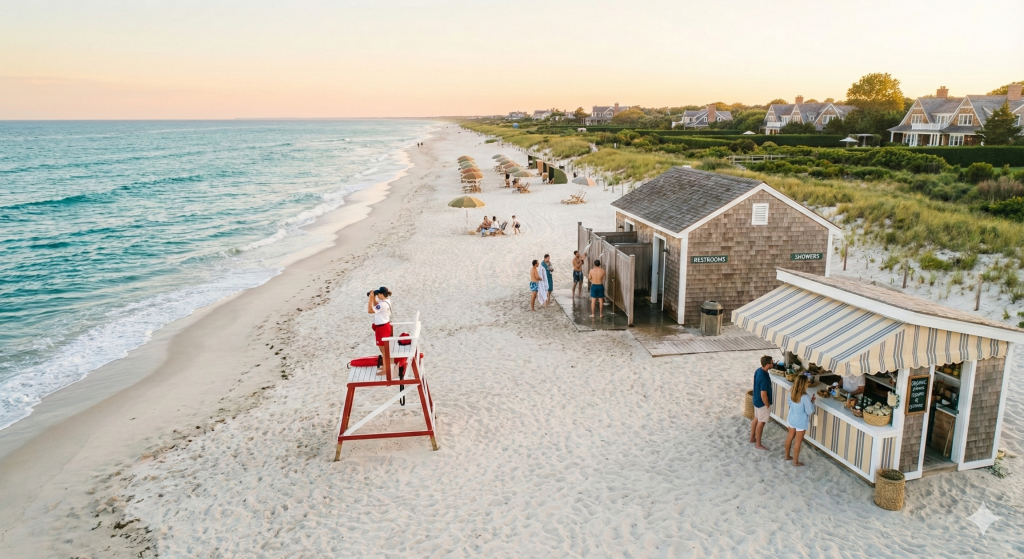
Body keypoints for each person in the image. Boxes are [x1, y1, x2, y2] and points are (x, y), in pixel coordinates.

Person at [784, 374, 816, 466]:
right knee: (798, 442)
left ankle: (787, 456)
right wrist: (812, 402)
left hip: (791, 418)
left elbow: (789, 402)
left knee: (789, 437)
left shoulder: (792, 392)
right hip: (800, 421)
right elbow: (809, 411)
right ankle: (795, 462)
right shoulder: (805, 397)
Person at [367, 287, 393, 375]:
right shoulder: (385, 301)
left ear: (381, 294)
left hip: (382, 328)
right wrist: (374, 297)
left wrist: (370, 299)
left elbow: (370, 310)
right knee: (383, 350)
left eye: (378, 294)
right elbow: (376, 305)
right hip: (383, 327)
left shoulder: (383, 305)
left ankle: (386, 370)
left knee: (384, 350)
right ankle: (386, 366)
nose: (377, 295)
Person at [750, 355, 774, 450]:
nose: (773, 364)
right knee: (761, 422)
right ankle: (758, 444)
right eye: (772, 363)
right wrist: (767, 404)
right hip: (762, 402)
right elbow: (763, 394)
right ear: (767, 365)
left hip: (756, 400)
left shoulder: (758, 370)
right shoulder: (764, 377)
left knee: (756, 418)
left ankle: (752, 438)